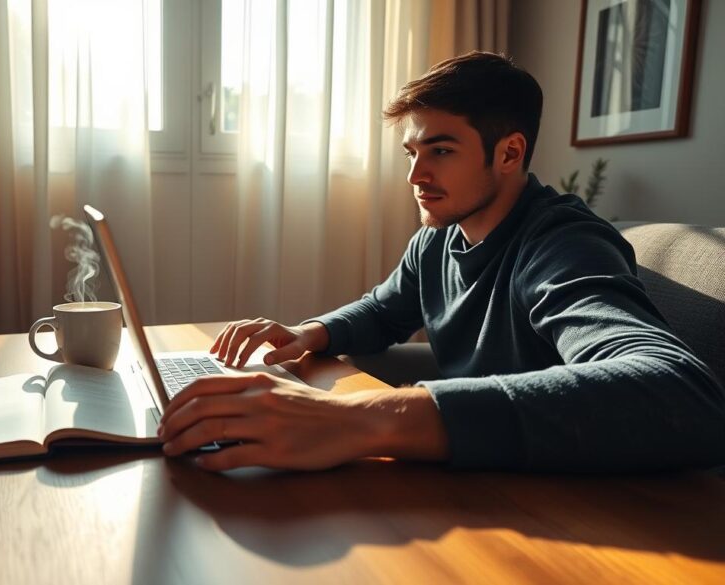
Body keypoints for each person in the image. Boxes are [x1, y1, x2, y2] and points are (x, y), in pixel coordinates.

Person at [157, 51, 725, 472]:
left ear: (509, 153)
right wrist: (309, 334)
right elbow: (384, 310)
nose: (415, 176)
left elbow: (679, 391)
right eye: (412, 153)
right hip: (480, 477)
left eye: (442, 151)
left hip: (572, 502)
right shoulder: (438, 237)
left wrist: (357, 421)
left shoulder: (562, 245)